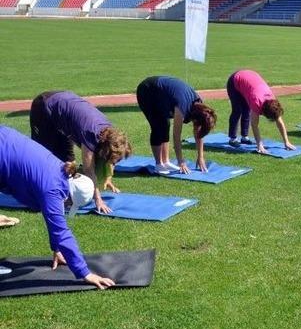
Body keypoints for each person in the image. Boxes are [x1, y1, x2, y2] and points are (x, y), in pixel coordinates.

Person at [0, 126, 115, 289]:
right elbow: (60, 231)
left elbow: (54, 219)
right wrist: (85, 273)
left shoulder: (61, 170)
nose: (66, 206)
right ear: (69, 197)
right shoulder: (52, 190)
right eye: (69, 204)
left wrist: (57, 248)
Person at [30, 91, 132, 214]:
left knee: (68, 161)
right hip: (44, 106)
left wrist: (108, 178)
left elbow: (110, 158)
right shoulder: (91, 133)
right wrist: (98, 199)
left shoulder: (108, 133)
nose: (113, 162)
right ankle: (35, 194)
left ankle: (64, 192)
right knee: (43, 156)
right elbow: (89, 170)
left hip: (62, 112)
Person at [135, 76, 216, 174]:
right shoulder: (182, 107)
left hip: (161, 94)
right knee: (158, 125)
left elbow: (199, 132)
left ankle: (166, 161)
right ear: (195, 118)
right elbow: (176, 136)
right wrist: (181, 161)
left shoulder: (200, 108)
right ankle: (159, 164)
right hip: (147, 90)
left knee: (165, 124)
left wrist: (200, 156)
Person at [226, 70, 296, 153]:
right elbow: (254, 125)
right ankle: (233, 138)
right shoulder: (257, 102)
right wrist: (259, 145)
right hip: (234, 81)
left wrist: (286, 142)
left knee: (246, 110)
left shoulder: (273, 102)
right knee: (237, 110)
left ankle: (244, 137)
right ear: (264, 113)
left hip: (248, 81)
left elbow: (280, 123)